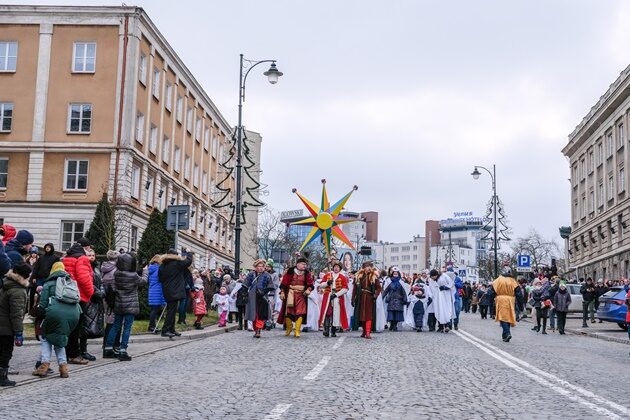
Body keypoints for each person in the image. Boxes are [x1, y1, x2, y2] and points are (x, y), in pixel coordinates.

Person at [32, 262, 81, 378]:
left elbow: (43, 305)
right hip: (72, 314)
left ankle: (44, 366)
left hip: (53, 314)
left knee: (46, 339)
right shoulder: (70, 282)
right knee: (60, 340)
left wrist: (39, 315)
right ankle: (63, 368)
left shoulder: (48, 284)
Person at [103, 253, 145, 361]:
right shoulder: (133, 275)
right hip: (130, 305)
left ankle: (108, 348)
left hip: (119, 303)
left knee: (115, 326)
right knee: (127, 327)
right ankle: (123, 350)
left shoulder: (117, 273)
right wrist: (145, 271)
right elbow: (143, 281)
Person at [62, 237, 94, 365]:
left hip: (66, 294)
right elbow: (84, 278)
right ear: (85, 248)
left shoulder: (66, 258)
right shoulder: (82, 259)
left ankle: (65, 352)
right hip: (79, 296)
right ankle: (73, 354)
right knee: (76, 326)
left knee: (68, 326)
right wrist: (91, 292)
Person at [0, 261, 31, 386]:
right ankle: (2, 377)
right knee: (6, 352)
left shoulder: (6, 283)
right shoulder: (17, 290)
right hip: (6, 327)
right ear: (24, 275)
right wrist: (19, 332)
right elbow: (16, 315)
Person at [158, 249, 193, 338]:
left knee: (172, 310)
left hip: (167, 289)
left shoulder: (162, 265)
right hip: (175, 290)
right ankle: (165, 330)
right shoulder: (176, 263)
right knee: (171, 311)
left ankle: (171, 329)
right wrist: (188, 252)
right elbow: (188, 261)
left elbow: (160, 278)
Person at [278, 256, 315, 338]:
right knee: (288, 313)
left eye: (305, 264)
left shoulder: (307, 273)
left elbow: (310, 284)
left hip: (301, 295)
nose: (304, 266)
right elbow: (284, 283)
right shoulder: (290, 271)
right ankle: (289, 328)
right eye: (303, 264)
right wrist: (282, 292)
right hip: (290, 294)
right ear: (298, 264)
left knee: (300, 312)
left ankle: (297, 330)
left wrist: (309, 289)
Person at [318, 261, 349, 337]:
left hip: (337, 297)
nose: (336, 268)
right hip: (328, 296)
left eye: (338, 267)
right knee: (327, 313)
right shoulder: (327, 275)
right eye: (335, 267)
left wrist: (336, 294)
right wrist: (327, 283)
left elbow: (345, 288)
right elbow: (321, 285)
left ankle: (333, 331)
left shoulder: (342, 277)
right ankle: (326, 329)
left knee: (336, 314)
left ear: (340, 268)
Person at [244, 259, 274, 338]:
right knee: (254, 313)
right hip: (252, 296)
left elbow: (271, 286)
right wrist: (244, 294)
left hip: (262, 296)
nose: (260, 268)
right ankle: (255, 329)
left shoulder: (267, 275)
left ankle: (258, 330)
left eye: (262, 266)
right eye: (259, 266)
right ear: (256, 267)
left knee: (261, 313)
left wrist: (264, 291)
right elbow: (246, 284)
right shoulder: (251, 274)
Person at [352, 261, 381, 339]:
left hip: (369, 298)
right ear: (364, 267)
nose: (368, 268)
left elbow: (378, 287)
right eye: (366, 266)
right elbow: (355, 289)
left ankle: (368, 332)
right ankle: (364, 331)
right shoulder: (359, 276)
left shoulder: (373, 276)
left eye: (369, 266)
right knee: (362, 316)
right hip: (360, 298)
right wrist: (353, 299)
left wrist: (376, 294)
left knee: (368, 316)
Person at [492, 266, 519, 342]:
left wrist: (491, 301)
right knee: (509, 317)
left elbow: (492, 291)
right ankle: (505, 335)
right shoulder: (513, 281)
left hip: (500, 299)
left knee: (503, 317)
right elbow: (518, 293)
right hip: (510, 300)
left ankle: (507, 333)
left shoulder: (497, 280)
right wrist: (520, 305)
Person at [101, 250, 120, 354]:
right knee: (114, 322)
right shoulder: (116, 270)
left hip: (106, 298)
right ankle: (111, 344)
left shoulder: (104, 268)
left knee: (109, 321)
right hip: (114, 298)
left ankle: (106, 344)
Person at [381, 267, 408, 332]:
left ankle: (395, 326)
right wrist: (381, 297)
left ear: (398, 274)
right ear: (392, 274)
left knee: (397, 314)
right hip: (391, 300)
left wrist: (405, 299)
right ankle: (392, 325)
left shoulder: (401, 282)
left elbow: (404, 292)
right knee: (391, 314)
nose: (395, 275)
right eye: (394, 274)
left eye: (396, 274)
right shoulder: (389, 281)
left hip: (399, 300)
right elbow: (386, 291)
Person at [147, 254, 165, 333]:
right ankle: (151, 326)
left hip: (152, 290)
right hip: (157, 291)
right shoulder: (157, 269)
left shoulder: (150, 268)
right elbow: (161, 279)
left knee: (154, 309)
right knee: (154, 310)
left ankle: (152, 326)